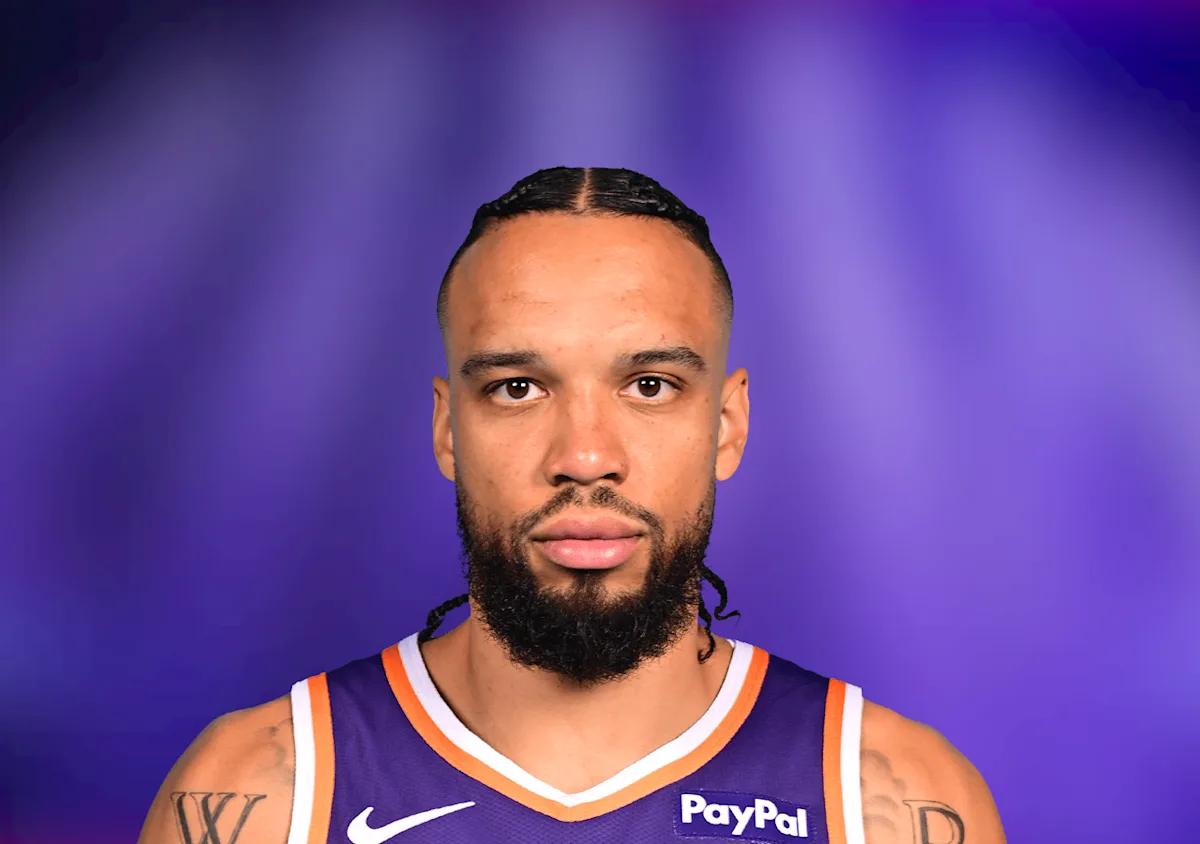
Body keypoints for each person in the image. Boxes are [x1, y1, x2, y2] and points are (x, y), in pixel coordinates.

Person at [138, 167, 1005, 844]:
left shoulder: (891, 804)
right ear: (447, 429)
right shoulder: (262, 798)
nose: (585, 457)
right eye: (518, 387)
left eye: (650, 385)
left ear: (728, 425)